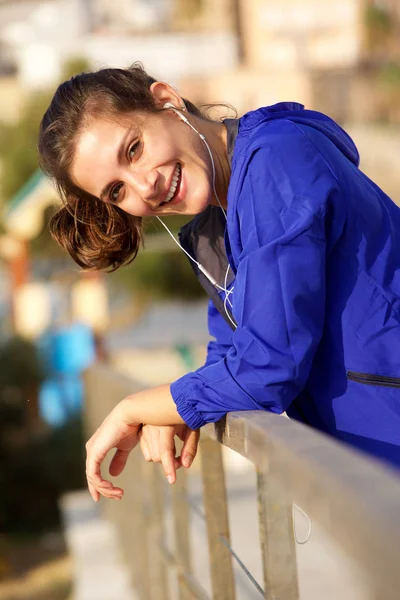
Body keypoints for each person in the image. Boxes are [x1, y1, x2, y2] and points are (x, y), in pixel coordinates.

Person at [38, 64, 400, 502]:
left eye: (133, 149)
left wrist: (137, 407)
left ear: (167, 102)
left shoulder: (276, 162)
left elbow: (269, 364)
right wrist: (172, 410)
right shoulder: (215, 230)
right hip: (371, 478)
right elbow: (231, 352)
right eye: (116, 192)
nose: (144, 187)